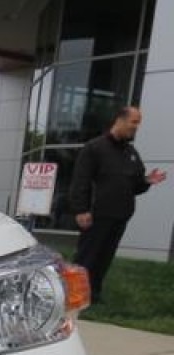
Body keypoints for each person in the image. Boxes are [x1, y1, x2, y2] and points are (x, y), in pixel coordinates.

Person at [68, 106, 167, 304]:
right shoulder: (95, 148)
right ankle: (74, 295)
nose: (136, 127)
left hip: (120, 215)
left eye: (138, 123)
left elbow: (136, 184)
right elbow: (81, 180)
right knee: (87, 257)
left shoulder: (131, 153)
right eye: (134, 122)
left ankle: (94, 295)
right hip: (96, 214)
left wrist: (147, 181)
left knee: (104, 258)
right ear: (120, 120)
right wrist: (81, 209)